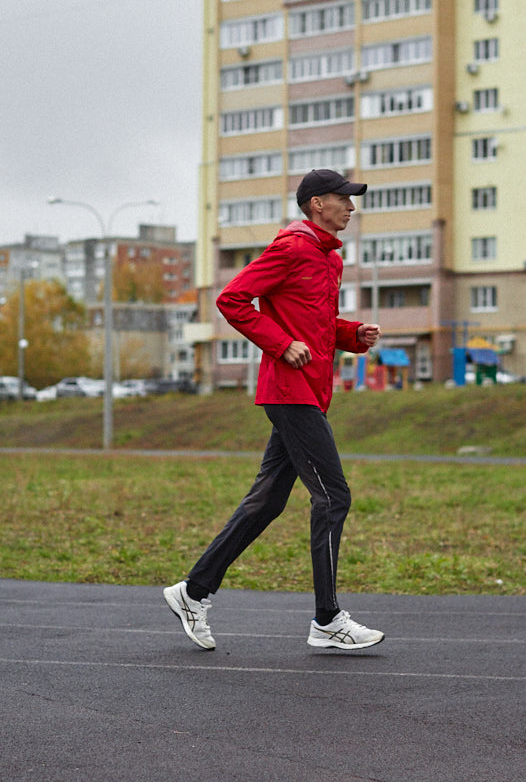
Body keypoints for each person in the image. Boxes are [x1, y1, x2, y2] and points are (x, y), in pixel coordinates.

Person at [163, 169, 384, 652]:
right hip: (289, 390)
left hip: (309, 391)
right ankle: (327, 620)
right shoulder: (291, 247)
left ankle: (192, 591)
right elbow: (232, 299)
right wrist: (281, 345)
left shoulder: (328, 259)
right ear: (316, 203)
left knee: (267, 502)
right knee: (333, 498)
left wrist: (351, 335)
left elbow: (316, 321)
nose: (351, 208)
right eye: (343, 199)